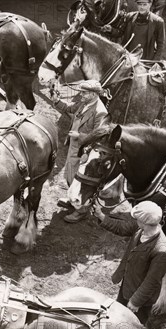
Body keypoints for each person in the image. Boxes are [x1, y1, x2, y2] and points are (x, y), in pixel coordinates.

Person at [91, 201, 166, 324]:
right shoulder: (140, 229)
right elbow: (121, 227)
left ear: (144, 222)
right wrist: (101, 216)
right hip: (128, 286)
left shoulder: (162, 251)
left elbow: (152, 281)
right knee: (118, 318)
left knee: (134, 328)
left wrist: (136, 301)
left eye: (137, 218)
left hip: (141, 299)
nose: (135, 220)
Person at [50, 80, 110, 223]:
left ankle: (81, 210)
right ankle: (73, 199)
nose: (81, 94)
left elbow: (100, 136)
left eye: (84, 92)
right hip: (74, 146)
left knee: (81, 181)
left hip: (85, 151)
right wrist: (56, 100)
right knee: (70, 174)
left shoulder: (100, 112)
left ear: (94, 94)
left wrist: (80, 136)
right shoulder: (84, 103)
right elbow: (69, 108)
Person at [101, 0, 165, 60]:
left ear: (150, 4)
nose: (142, 7)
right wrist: (111, 30)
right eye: (140, 4)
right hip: (128, 57)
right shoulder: (129, 17)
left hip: (145, 60)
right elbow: (120, 32)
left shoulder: (158, 22)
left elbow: (161, 44)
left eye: (144, 5)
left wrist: (155, 61)